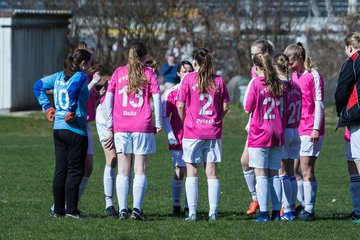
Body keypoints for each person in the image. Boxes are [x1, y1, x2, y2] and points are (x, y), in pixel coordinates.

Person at [104, 42, 162, 221]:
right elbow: (157, 98)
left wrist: (109, 122)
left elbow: (109, 98)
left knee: (123, 169)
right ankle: (136, 209)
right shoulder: (149, 73)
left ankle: (122, 209)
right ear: (144, 56)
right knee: (140, 169)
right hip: (141, 125)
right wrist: (158, 121)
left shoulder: (118, 72)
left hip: (122, 125)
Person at [33, 48, 92, 219]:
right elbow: (73, 91)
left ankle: (58, 209)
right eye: (89, 63)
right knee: (75, 170)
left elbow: (38, 86)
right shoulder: (80, 76)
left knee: (61, 170)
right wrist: (72, 110)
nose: (90, 66)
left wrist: (47, 107)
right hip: (74, 129)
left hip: (58, 129)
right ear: (82, 63)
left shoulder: (59, 76)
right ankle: (71, 210)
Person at [177, 48, 230, 221]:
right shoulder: (219, 80)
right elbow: (225, 107)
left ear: (194, 63)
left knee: (192, 172)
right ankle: (212, 213)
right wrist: (215, 120)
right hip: (212, 132)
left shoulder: (187, 79)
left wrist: (187, 121)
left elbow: (180, 106)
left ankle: (192, 213)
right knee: (212, 173)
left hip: (192, 132)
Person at [284, 42, 325, 221]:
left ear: (300, 58)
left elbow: (319, 103)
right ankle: (302, 203)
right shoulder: (293, 76)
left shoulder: (313, 75)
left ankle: (309, 209)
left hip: (310, 129)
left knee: (307, 169)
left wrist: (316, 128)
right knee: (291, 169)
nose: (289, 66)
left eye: (291, 62)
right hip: (296, 128)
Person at [244, 52, 284, 222]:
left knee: (260, 173)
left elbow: (247, 107)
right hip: (277, 130)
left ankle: (263, 213)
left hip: (260, 131)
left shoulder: (256, 82)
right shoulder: (277, 82)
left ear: (255, 67)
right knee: (274, 173)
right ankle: (276, 212)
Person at [241, 39, 275, 215]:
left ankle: (282, 206)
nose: (253, 56)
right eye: (252, 53)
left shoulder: (274, 70)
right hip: (256, 124)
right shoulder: (255, 71)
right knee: (245, 162)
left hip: (270, 126)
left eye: (257, 53)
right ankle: (256, 198)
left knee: (276, 169)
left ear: (267, 53)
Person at [162, 60, 194, 217]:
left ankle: (189, 206)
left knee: (191, 171)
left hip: (194, 136)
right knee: (180, 171)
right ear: (178, 73)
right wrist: (170, 135)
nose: (187, 74)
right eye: (184, 71)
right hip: (177, 137)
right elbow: (164, 116)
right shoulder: (171, 92)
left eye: (190, 71)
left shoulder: (196, 90)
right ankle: (176, 205)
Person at [273, 53, 302, 221]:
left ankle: (287, 210)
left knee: (282, 172)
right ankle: (291, 208)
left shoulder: (279, 87)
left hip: (283, 130)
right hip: (295, 130)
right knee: (291, 172)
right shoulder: (295, 86)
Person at [334, 32, 360, 222]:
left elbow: (342, 91)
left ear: (349, 47)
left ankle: (359, 211)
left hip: (357, 117)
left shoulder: (353, 61)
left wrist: (341, 112)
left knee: (356, 163)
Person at [94, 65, 119, 217]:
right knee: (112, 158)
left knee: (126, 161)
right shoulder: (111, 87)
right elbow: (108, 112)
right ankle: (109, 203)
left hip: (122, 123)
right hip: (105, 121)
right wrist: (111, 131)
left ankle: (124, 205)